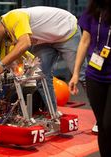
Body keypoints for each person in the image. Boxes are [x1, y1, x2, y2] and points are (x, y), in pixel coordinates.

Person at [0, 6, 87, 112]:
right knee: (40, 76)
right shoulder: (6, 33)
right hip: (45, 41)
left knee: (82, 75)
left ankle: (101, 117)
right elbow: (6, 60)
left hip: (65, 30)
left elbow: (25, 43)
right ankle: (54, 115)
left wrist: (1, 65)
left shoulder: (13, 17)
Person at [69, 0, 111, 156]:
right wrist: (75, 73)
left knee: (109, 124)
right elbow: (84, 41)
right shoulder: (92, 11)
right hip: (94, 75)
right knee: (101, 124)